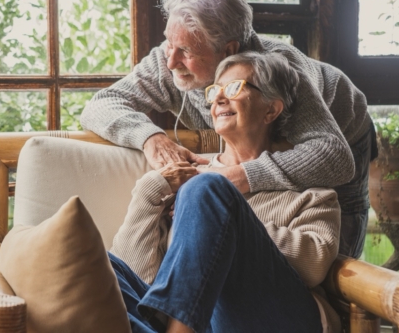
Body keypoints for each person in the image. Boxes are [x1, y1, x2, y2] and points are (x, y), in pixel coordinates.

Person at [81, 0, 374, 258]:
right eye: (169, 43)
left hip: (345, 127)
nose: (171, 61)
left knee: (339, 261)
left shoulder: (278, 71)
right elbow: (101, 104)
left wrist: (230, 179)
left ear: (228, 50)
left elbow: (336, 158)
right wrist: (151, 138)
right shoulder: (167, 59)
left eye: (185, 51)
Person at [109, 52, 341, 333]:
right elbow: (139, 277)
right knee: (96, 262)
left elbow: (315, 263)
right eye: (214, 90)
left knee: (206, 189)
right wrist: (151, 189)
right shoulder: (186, 179)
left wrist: (229, 220)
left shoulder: (305, 181)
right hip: (202, 323)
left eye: (233, 88)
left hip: (277, 318)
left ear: (271, 110)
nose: (218, 99)